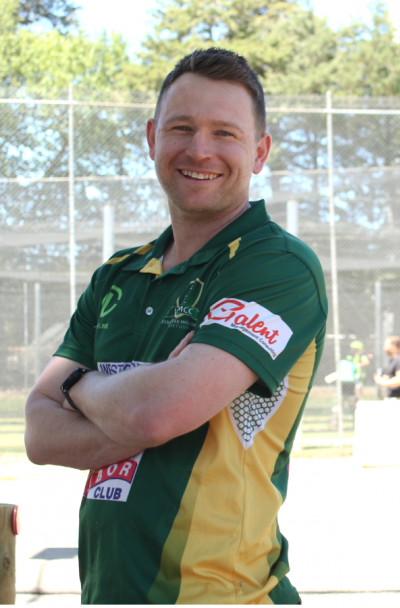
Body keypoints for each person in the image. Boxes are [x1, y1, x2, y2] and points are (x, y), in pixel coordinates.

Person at [24, 48, 327, 604]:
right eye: (181, 128)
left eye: (225, 133)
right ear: (151, 139)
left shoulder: (278, 267)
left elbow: (157, 411)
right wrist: (150, 402)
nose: (200, 149)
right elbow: (39, 434)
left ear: (259, 153)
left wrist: (78, 385)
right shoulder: (116, 276)